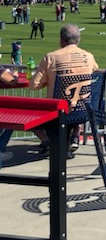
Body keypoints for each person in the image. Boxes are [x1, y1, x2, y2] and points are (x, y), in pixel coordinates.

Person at [30, 24, 99, 157]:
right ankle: (73, 135)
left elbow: (34, 85)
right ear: (78, 40)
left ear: (61, 40)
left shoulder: (51, 57)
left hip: (57, 112)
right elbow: (95, 70)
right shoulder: (88, 57)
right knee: (73, 104)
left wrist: (49, 81)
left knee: (28, 112)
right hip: (83, 110)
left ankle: (48, 141)